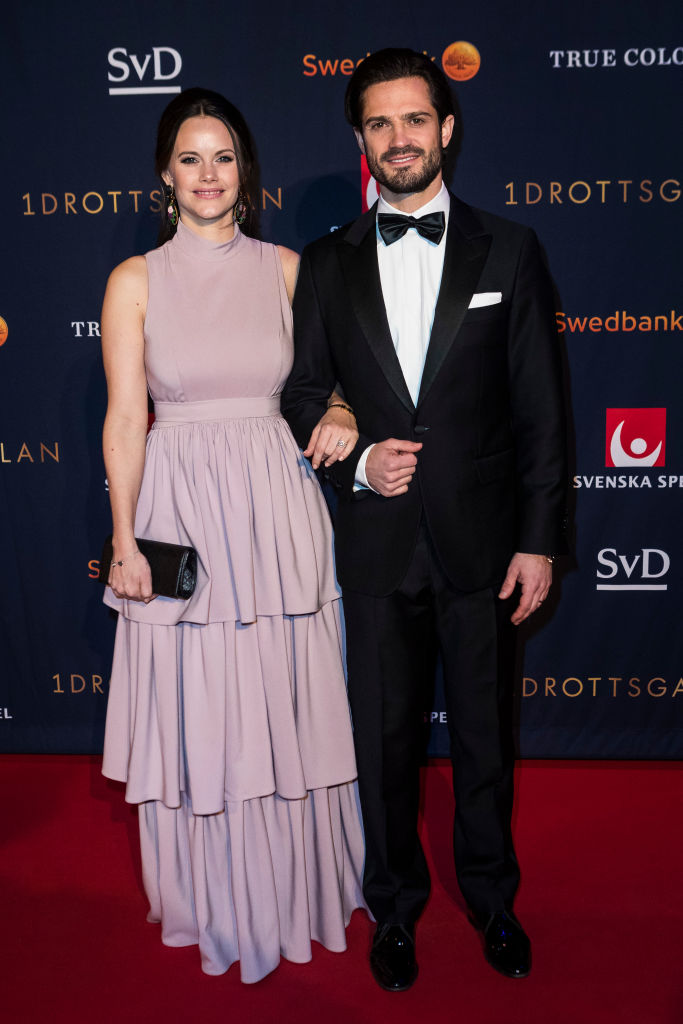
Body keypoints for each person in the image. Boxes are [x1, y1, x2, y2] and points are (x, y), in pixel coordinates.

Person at [282, 48, 567, 991]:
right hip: (376, 544)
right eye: (379, 123)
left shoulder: (510, 249)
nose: (398, 138)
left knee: (485, 740)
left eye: (414, 119)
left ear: (445, 128)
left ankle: (492, 899)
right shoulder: (326, 263)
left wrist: (538, 540)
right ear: (360, 139)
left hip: (483, 545)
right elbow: (304, 392)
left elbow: (542, 410)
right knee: (383, 745)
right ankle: (393, 909)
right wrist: (360, 457)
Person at [100, 87, 365, 983]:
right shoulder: (134, 280)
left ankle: (297, 887)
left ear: (245, 174)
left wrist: (339, 409)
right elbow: (125, 419)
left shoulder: (289, 268)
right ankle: (214, 894)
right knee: (200, 704)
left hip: (275, 512)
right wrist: (124, 539)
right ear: (164, 174)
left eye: (222, 158)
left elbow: (328, 382)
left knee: (283, 696)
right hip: (179, 511)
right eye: (190, 158)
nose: (207, 174)